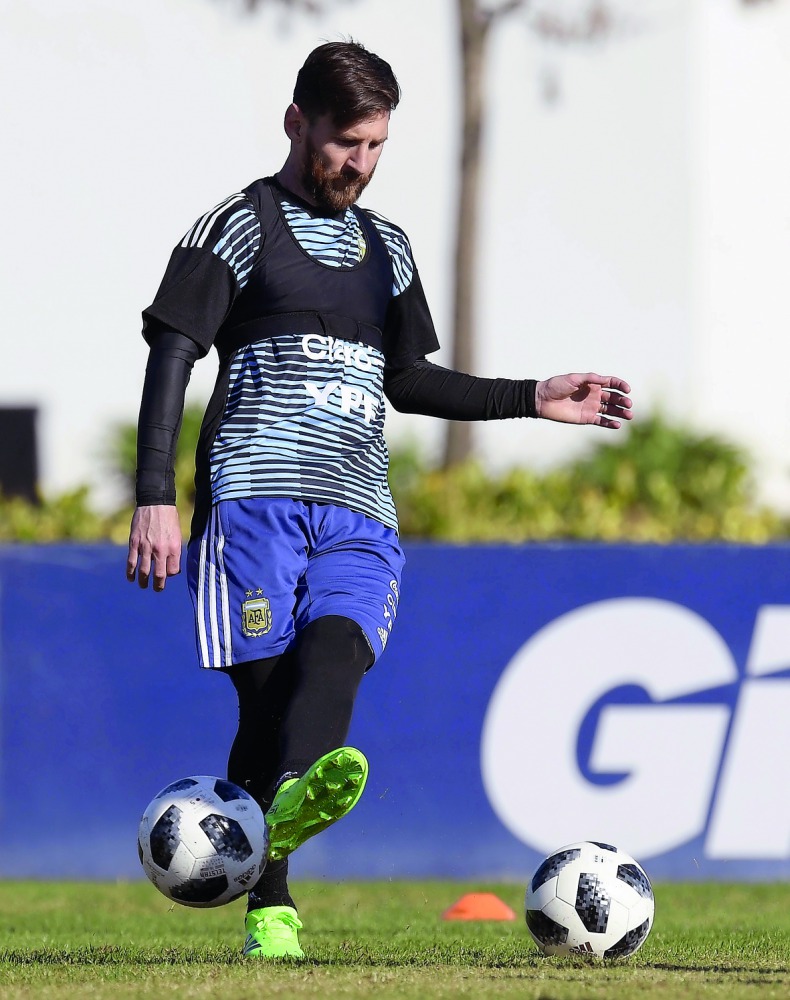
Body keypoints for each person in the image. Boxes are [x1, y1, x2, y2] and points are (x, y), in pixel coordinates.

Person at [126, 40, 633, 960]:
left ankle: (262, 836)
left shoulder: (387, 249)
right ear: (297, 123)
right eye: (344, 143)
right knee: (269, 701)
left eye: (375, 148)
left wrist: (532, 395)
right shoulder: (235, 228)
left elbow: (408, 379)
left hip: (361, 509)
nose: (356, 165)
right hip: (254, 501)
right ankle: (268, 902)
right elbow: (172, 354)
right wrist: (154, 493)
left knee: (338, 658)